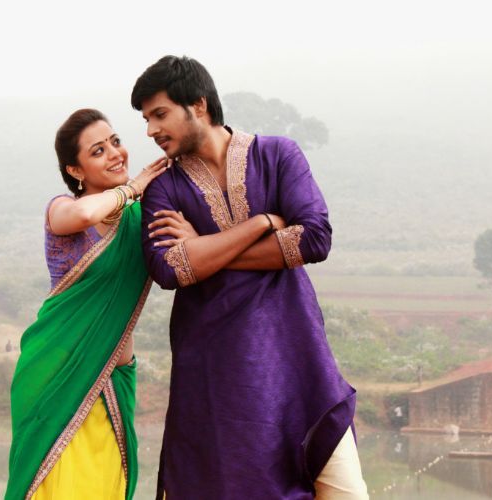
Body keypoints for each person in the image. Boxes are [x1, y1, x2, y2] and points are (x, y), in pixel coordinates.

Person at [132, 56, 369, 499]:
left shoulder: (277, 155)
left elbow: (314, 239)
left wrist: (205, 248)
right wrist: (261, 223)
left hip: (299, 362)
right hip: (215, 379)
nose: (151, 130)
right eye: (146, 119)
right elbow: (169, 268)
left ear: (198, 105)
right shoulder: (164, 186)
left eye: (159, 114)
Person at [4, 109, 178, 500]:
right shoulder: (62, 209)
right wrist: (133, 188)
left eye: (115, 142)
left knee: (105, 485)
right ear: (75, 170)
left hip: (113, 378)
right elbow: (86, 212)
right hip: (55, 375)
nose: (115, 153)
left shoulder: (139, 217)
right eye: (98, 151)